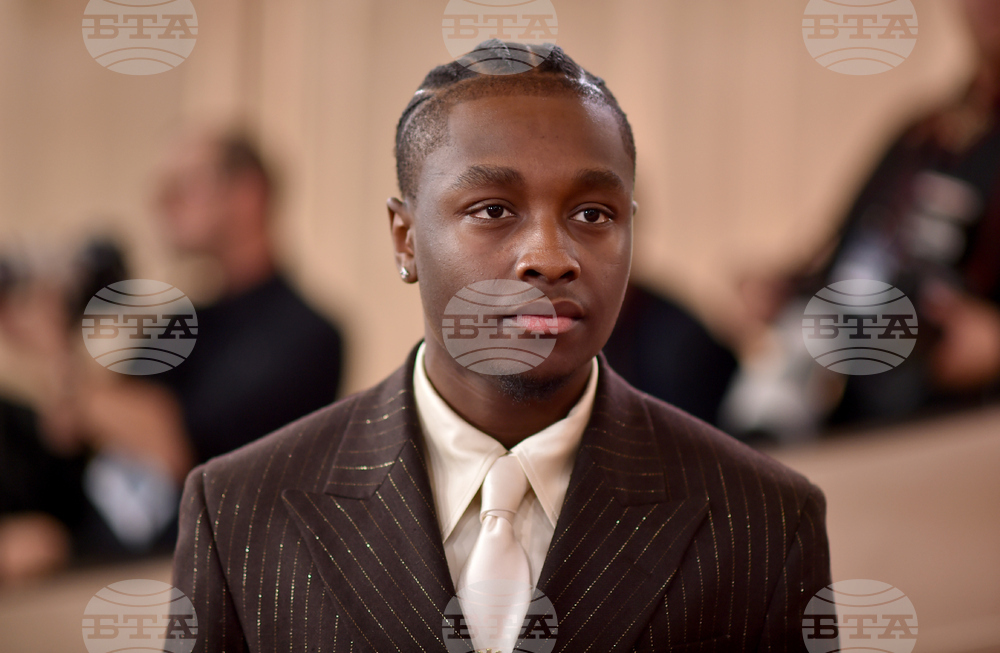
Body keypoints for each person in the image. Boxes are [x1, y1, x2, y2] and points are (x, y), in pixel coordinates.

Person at [172, 42, 831, 651]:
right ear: (405, 239)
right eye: (493, 210)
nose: (548, 256)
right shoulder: (239, 511)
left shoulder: (764, 518)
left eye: (593, 214)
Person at [0, 131, 345, 566]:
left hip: (182, 564)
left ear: (247, 196)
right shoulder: (180, 323)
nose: (164, 204)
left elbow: (177, 448)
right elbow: (79, 427)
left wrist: (58, 360)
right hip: (105, 534)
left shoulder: (304, 334)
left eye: (184, 186)